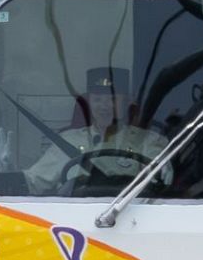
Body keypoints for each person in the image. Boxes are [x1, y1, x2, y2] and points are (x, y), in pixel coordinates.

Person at [13, 67, 169, 195]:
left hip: (130, 215)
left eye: (112, 99)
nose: (104, 106)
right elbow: (35, 181)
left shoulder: (148, 140)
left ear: (127, 101)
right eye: (97, 99)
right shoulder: (68, 141)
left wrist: (164, 169)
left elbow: (158, 179)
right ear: (89, 103)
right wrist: (7, 172)